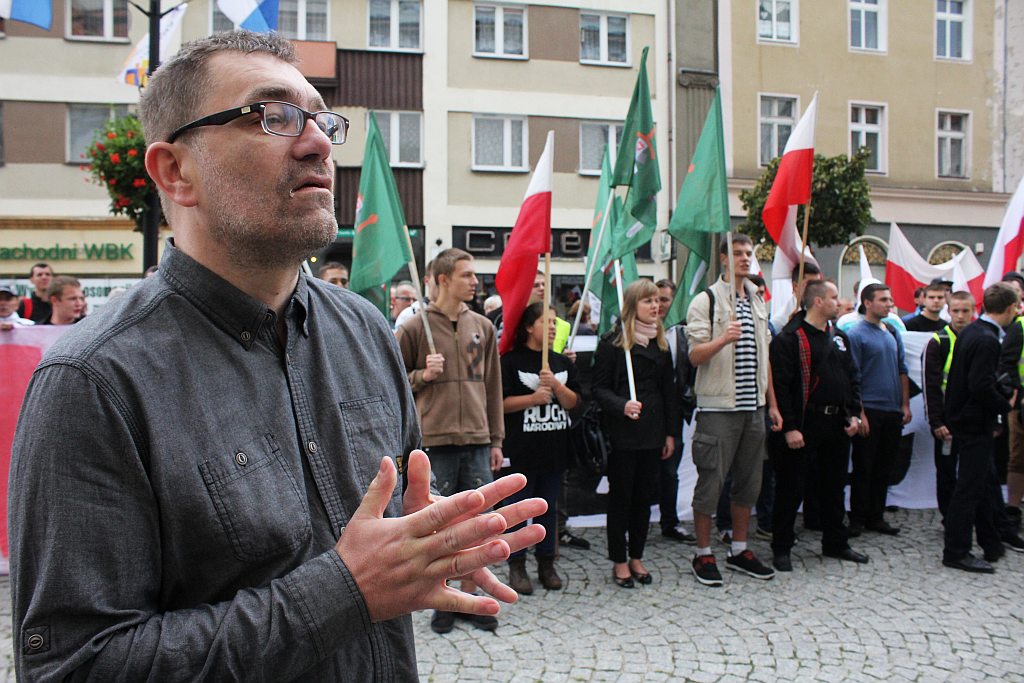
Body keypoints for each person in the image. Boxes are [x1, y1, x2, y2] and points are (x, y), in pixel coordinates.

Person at [10, 31, 545, 680]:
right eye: (273, 115)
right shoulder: (93, 382)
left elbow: (386, 537)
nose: (319, 141)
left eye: (321, 118)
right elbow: (74, 666)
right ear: (174, 170)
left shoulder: (365, 329)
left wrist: (423, 542)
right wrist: (344, 589)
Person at [395, 248, 506, 634]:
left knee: (475, 524)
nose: (475, 281)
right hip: (435, 442)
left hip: (477, 438)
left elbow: (493, 386)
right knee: (439, 529)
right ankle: (442, 600)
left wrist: (497, 439)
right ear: (442, 279)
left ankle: (472, 599)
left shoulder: (483, 326)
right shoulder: (413, 327)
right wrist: (423, 376)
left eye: (475, 275)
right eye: (466, 275)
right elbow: (393, 385)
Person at [686, 234, 782, 587]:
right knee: (710, 483)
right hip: (718, 408)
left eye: (749, 254)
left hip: (753, 408)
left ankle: (740, 548)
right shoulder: (706, 300)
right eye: (738, 253)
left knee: (749, 483)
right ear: (724, 259)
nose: (745, 259)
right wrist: (722, 339)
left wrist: (771, 403)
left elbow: (765, 356)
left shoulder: (758, 300)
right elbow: (694, 355)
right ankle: (702, 552)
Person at [769, 281, 868, 571]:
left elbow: (852, 378)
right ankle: (782, 546)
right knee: (791, 487)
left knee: (834, 486)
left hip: (836, 424)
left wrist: (852, 414)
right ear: (817, 302)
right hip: (804, 424)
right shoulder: (790, 339)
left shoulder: (839, 337)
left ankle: (836, 542)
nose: (840, 302)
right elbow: (782, 386)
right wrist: (789, 427)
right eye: (834, 297)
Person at [593, 279, 679, 588]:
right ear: (633, 306)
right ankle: (619, 559)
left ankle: (637, 556)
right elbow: (598, 389)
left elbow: (669, 392)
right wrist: (621, 405)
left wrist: (671, 434)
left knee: (644, 499)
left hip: (653, 434)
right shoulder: (612, 343)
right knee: (622, 498)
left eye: (657, 300)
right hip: (623, 435)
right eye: (648, 301)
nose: (655, 306)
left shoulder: (660, 343)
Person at [501, 302, 581, 595]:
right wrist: (531, 399)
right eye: (546, 322)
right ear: (528, 327)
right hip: (522, 449)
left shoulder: (562, 364)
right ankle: (516, 563)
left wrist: (558, 389)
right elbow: (499, 404)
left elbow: (575, 403)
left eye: (555, 322)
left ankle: (547, 562)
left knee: (549, 509)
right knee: (518, 510)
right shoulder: (510, 362)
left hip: (555, 448)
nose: (552, 327)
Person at [943, 283, 1020, 573]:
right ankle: (956, 551)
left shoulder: (974, 331)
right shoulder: (986, 339)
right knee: (969, 489)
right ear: (1011, 308)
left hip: (967, 419)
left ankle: (992, 542)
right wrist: (1005, 405)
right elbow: (980, 385)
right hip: (974, 423)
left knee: (986, 485)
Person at [846, 283, 911, 537]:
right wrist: (859, 412)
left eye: (890, 299)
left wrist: (904, 404)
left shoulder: (893, 332)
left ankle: (876, 515)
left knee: (885, 466)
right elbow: (854, 376)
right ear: (867, 303)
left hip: (892, 410)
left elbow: (902, 370)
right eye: (883, 299)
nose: (889, 303)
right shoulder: (856, 334)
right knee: (864, 466)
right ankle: (857, 517)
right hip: (869, 410)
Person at [923, 291, 976, 520]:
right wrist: (936, 421)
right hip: (946, 420)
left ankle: (969, 513)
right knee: (946, 471)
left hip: (973, 419)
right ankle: (949, 515)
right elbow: (931, 386)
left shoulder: (979, 338)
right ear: (949, 310)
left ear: (973, 311)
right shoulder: (939, 341)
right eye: (956, 311)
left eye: (965, 311)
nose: (960, 316)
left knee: (973, 471)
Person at [655, 278, 696, 544]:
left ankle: (669, 522)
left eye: (665, 300)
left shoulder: (683, 335)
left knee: (670, 471)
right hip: (643, 416)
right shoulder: (635, 332)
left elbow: (690, 372)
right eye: (654, 299)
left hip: (673, 415)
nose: (659, 305)